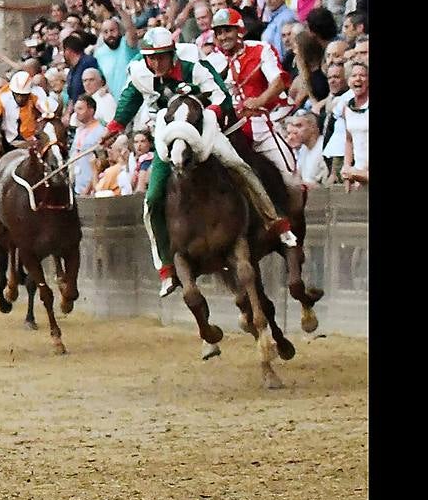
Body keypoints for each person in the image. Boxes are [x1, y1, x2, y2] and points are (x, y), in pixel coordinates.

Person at [100, 27, 296, 298]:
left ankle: (276, 222)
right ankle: (166, 268)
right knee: (153, 198)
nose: (156, 64)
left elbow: (221, 98)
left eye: (161, 58)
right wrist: (115, 125)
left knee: (239, 166)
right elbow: (130, 99)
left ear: (172, 55)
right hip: (167, 136)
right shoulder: (138, 71)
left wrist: (205, 117)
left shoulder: (195, 66)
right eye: (150, 58)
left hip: (202, 129)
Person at [209, 9, 297, 182]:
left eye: (227, 30)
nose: (223, 36)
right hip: (229, 131)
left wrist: (259, 100)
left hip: (262, 124)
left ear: (239, 30)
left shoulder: (260, 50)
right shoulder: (211, 61)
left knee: (290, 178)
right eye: (219, 32)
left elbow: (278, 81)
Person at [339, 61, 368, 190]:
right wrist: (347, 166)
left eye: (362, 75)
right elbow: (349, 139)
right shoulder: (347, 108)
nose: (358, 79)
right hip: (358, 171)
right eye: (353, 75)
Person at [70, 94, 106, 196]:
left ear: (91, 110)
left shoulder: (100, 131)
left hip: (91, 187)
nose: (77, 113)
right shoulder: (78, 130)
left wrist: (89, 187)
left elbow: (101, 162)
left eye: (80, 109)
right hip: (76, 184)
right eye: (76, 109)